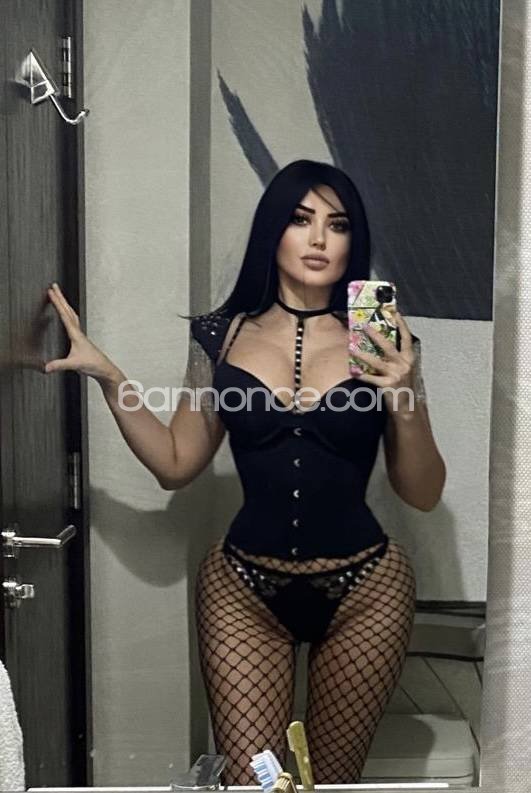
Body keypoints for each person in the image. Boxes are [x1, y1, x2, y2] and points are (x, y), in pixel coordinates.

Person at [44, 160, 446, 785]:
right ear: (273, 230)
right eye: (301, 219)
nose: (319, 238)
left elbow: (421, 493)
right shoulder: (220, 336)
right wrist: (109, 377)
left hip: (366, 590)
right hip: (242, 589)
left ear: (354, 240)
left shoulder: (383, 340)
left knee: (331, 784)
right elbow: (176, 464)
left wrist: (404, 395)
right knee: (254, 785)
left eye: (338, 224)